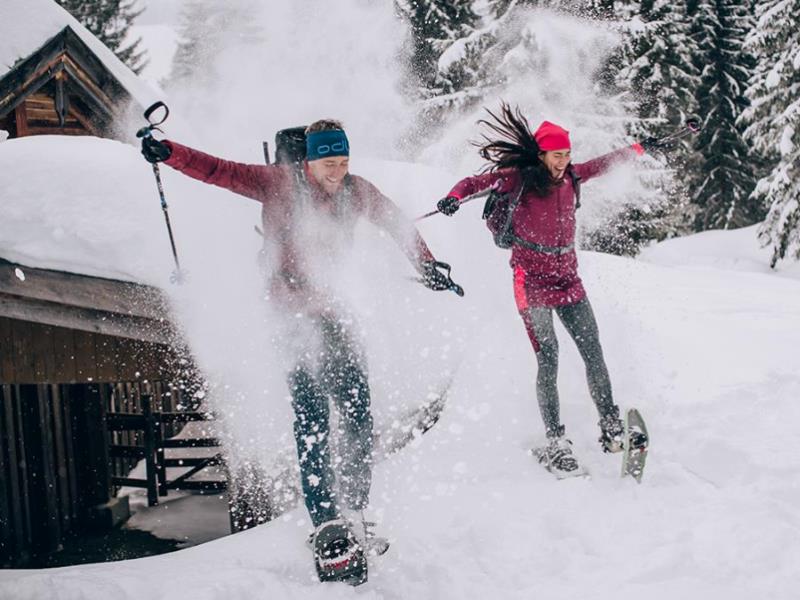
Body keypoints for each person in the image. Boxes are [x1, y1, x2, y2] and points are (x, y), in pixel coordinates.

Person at [141, 120, 460, 583]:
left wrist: (427, 265)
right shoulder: (275, 183)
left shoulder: (355, 190)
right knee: (312, 420)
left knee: (357, 414)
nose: (338, 172)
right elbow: (215, 169)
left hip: (337, 314)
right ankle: (327, 521)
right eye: (330, 164)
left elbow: (394, 221)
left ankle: (354, 508)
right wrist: (168, 151)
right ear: (308, 161)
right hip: (291, 319)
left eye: (345, 162)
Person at [437, 103, 654, 478]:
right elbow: (473, 184)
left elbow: (604, 163)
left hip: (569, 280)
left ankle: (611, 427)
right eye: (557, 155)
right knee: (549, 358)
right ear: (541, 154)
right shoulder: (517, 179)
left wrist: (641, 148)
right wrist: (454, 198)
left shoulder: (572, 177)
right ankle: (556, 441)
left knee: (593, 352)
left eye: (567, 154)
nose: (563, 161)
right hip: (530, 283)